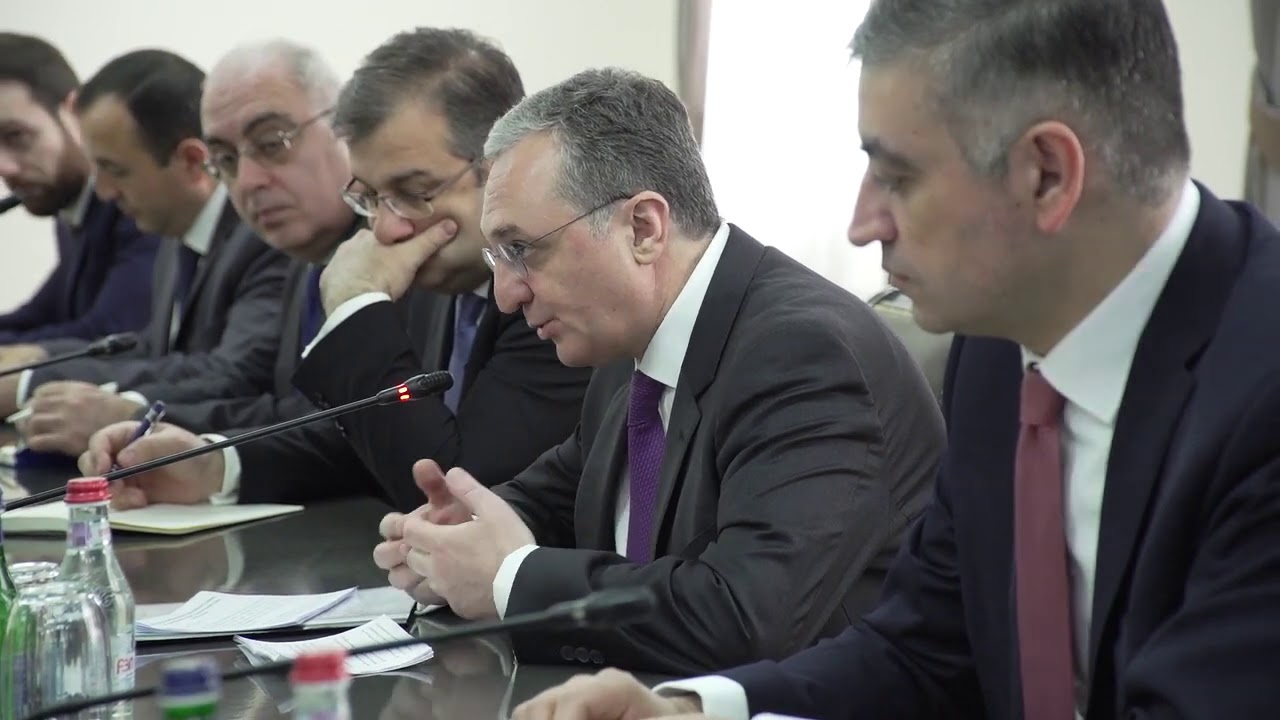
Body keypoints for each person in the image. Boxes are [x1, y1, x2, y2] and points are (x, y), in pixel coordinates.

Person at [509, 0, 1280, 718]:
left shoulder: (1262, 396)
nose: (862, 223)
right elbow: (922, 650)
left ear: (1046, 174)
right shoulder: (997, 349)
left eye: (897, 176)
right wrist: (691, 709)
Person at [373, 66, 944, 675]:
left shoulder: (804, 354)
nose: (506, 295)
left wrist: (508, 578)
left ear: (643, 228)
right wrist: (456, 537)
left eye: (523, 250)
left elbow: (742, 616)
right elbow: (558, 499)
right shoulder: (631, 342)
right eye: (498, 257)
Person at [78, 30, 592, 510]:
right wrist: (214, 465)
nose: (387, 228)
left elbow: (458, 495)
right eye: (370, 198)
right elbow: (366, 437)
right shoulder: (430, 261)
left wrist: (356, 305)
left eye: (414, 192)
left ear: (498, 169)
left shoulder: (555, 291)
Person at [2, 48, 290, 455]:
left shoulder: (264, 238)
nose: (103, 192)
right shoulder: (173, 232)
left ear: (191, 161)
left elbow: (234, 375)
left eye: (116, 171)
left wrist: (38, 384)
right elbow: (152, 349)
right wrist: (38, 360)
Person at [0, 34, 160, 351]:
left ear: (73, 113)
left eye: (16, 136)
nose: (5, 168)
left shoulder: (136, 204)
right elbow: (42, 313)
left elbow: (108, 333)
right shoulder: (72, 206)